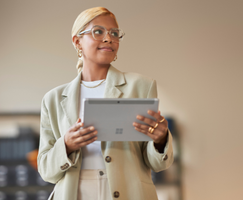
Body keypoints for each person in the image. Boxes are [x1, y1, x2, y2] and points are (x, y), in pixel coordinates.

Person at [37, 7, 174, 200]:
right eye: (98, 31)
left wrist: (160, 141)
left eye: (114, 33)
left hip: (129, 192)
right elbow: (46, 171)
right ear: (77, 42)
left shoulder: (141, 86)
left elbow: (157, 164)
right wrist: (66, 145)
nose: (109, 38)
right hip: (75, 193)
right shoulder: (53, 98)